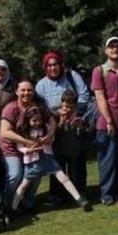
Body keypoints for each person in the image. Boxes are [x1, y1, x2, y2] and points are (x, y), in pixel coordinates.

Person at [35, 50, 91, 204]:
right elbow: (39, 107)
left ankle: (79, 193)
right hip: (56, 128)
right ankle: (57, 195)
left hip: (74, 127)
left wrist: (75, 111)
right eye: (49, 65)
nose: (53, 68)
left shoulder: (72, 76)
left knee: (77, 162)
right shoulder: (41, 85)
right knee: (57, 163)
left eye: (56, 64)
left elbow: (85, 94)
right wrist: (55, 114)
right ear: (45, 67)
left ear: (61, 65)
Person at [10, 106, 90, 213]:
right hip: (33, 163)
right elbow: (20, 147)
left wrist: (47, 140)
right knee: (24, 185)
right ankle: (13, 208)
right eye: (34, 121)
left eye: (39, 120)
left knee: (63, 178)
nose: (37, 123)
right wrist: (28, 150)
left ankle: (79, 199)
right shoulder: (24, 132)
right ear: (27, 120)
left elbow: (52, 139)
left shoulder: (46, 128)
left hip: (48, 158)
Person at [0, 80, 56, 210]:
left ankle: (27, 204)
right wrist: (27, 142)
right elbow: (4, 132)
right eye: (23, 90)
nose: (26, 93)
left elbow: (51, 120)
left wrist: (50, 134)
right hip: (11, 148)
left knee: (35, 174)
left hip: (33, 147)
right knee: (15, 175)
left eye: (29, 90)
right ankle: (5, 205)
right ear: (17, 92)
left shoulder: (38, 106)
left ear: (34, 91)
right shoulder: (11, 108)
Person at [91, 36, 118, 206]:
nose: (115, 49)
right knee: (107, 159)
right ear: (106, 50)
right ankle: (106, 193)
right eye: (111, 46)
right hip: (105, 123)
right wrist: (108, 120)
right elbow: (100, 97)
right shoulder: (99, 70)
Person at [51, 90, 88, 195]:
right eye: (66, 107)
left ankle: (79, 193)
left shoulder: (81, 114)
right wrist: (60, 123)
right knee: (59, 174)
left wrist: (80, 127)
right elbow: (51, 132)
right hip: (59, 149)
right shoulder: (55, 114)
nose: (68, 109)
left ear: (76, 105)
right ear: (61, 103)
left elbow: (86, 133)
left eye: (71, 107)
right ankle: (57, 196)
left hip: (76, 149)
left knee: (77, 173)